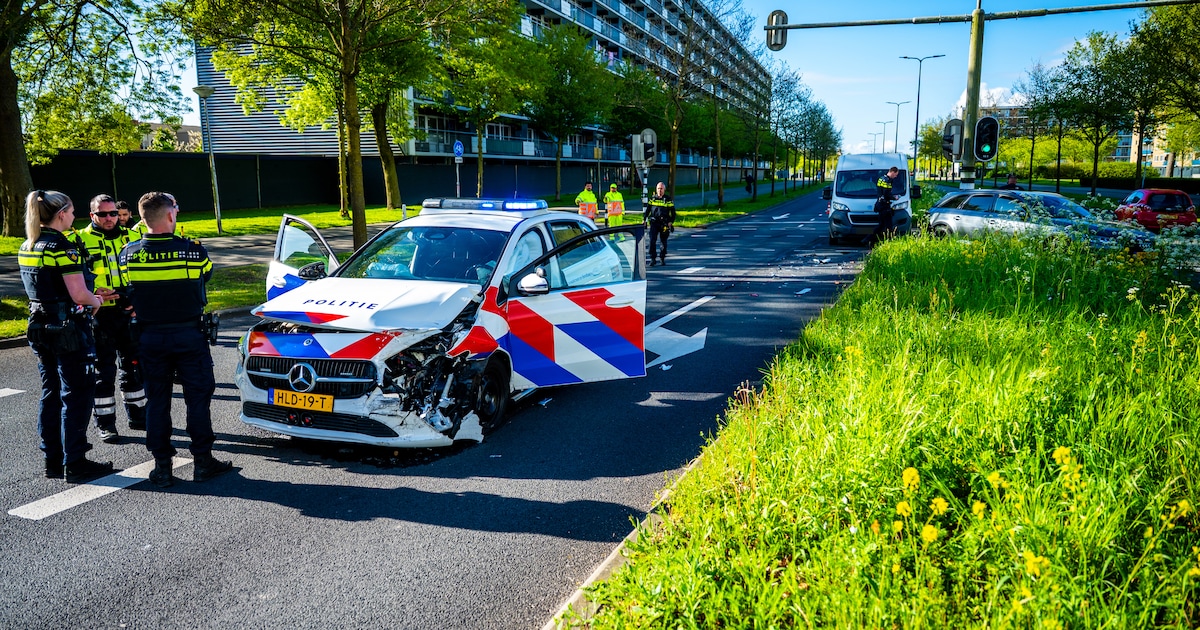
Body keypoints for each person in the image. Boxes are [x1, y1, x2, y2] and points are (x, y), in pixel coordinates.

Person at [120, 191, 232, 488]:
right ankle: (203, 462)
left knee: (157, 401)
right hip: (187, 335)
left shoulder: (128, 253)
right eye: (177, 209)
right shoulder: (193, 250)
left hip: (149, 337)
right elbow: (205, 276)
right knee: (198, 399)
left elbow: (126, 287)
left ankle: (162, 467)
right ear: (170, 215)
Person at [19, 190, 114, 483]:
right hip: (68, 330)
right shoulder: (62, 247)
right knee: (77, 393)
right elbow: (78, 294)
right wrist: (95, 300)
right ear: (61, 214)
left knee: (50, 392)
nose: (74, 217)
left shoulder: (29, 244)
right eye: (72, 212)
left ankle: (53, 459)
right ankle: (75, 461)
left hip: (39, 325)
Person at [78, 194, 146, 443]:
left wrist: (137, 300)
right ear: (92, 215)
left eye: (113, 213)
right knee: (103, 371)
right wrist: (92, 293)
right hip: (99, 313)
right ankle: (106, 424)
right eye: (103, 214)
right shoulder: (79, 240)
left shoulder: (133, 237)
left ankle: (139, 416)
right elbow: (73, 278)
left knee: (134, 367)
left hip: (129, 310)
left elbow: (144, 273)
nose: (109, 218)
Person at [645, 182, 676, 266]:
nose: (660, 190)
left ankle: (662, 258)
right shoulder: (652, 199)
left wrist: (670, 222)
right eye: (658, 188)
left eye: (661, 189)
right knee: (652, 240)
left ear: (664, 190)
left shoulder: (668, 199)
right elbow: (647, 210)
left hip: (664, 224)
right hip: (654, 223)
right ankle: (653, 258)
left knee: (663, 242)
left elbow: (673, 213)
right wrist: (644, 219)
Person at [873, 166, 900, 242]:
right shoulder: (887, 181)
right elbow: (886, 194)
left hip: (880, 204)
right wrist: (895, 197)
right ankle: (889, 240)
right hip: (884, 206)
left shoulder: (881, 178)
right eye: (895, 174)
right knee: (888, 225)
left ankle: (869, 240)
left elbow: (881, 192)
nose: (896, 176)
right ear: (892, 172)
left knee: (882, 225)